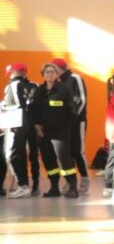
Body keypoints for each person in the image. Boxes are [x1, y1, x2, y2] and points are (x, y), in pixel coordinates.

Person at [32, 62, 80, 198]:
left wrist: (66, 127)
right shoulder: (39, 91)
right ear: (43, 75)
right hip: (43, 132)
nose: (50, 74)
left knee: (65, 160)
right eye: (47, 72)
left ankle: (72, 187)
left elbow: (72, 109)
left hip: (60, 132)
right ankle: (54, 188)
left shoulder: (64, 89)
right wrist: (36, 125)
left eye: (52, 71)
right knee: (48, 160)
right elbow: (34, 110)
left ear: (57, 74)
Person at [52, 58, 89, 192]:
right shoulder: (57, 83)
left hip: (77, 121)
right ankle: (70, 180)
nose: (52, 72)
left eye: (53, 69)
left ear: (59, 68)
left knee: (78, 150)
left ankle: (84, 178)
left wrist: (73, 117)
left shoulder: (75, 78)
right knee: (65, 153)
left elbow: (82, 100)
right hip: (64, 124)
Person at [3, 63, 37, 198]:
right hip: (28, 123)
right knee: (25, 154)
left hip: (17, 123)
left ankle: (22, 185)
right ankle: (30, 185)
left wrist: (4, 109)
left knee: (13, 154)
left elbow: (17, 105)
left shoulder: (13, 85)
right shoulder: (32, 85)